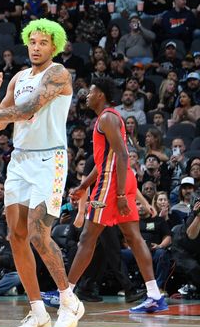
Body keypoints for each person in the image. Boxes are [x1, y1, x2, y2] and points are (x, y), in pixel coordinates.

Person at [0, 19, 84, 327]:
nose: (37, 47)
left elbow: (27, 110)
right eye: (33, 42)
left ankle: (68, 300)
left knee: (40, 236)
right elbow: (2, 125)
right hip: (20, 160)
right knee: (16, 236)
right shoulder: (18, 77)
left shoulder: (57, 74)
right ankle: (38, 313)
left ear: (54, 46)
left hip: (49, 159)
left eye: (43, 42)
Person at [54, 79, 168, 313]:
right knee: (134, 237)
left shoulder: (106, 117)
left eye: (92, 91)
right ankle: (154, 294)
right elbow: (104, 160)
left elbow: (123, 156)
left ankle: (65, 294)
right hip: (118, 179)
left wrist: (119, 194)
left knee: (87, 237)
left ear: (102, 95)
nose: (86, 95)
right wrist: (84, 185)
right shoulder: (108, 118)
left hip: (111, 183)